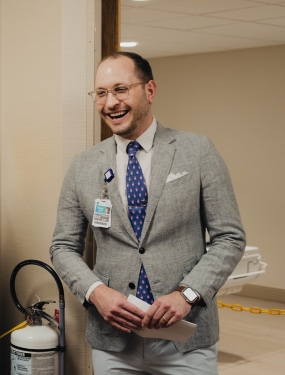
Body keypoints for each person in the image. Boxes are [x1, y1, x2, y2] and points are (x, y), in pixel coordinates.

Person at [50, 52, 245, 374]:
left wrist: (188, 294)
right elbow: (62, 246)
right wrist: (96, 292)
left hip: (186, 338)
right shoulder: (83, 166)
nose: (110, 102)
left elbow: (229, 237)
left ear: (150, 91)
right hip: (114, 341)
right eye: (101, 93)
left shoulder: (196, 151)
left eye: (120, 89)